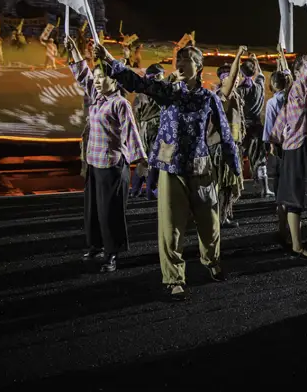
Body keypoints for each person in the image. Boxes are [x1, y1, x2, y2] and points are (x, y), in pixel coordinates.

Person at [94, 41, 239, 300]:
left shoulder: (209, 98)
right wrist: (109, 60)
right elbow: (137, 81)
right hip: (171, 170)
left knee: (211, 224)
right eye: (178, 61)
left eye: (186, 60)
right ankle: (174, 278)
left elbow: (225, 132)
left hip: (202, 167)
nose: (180, 65)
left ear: (199, 66)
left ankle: (212, 262)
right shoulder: (168, 92)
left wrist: (234, 164)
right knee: (170, 228)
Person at [67, 37, 146, 274]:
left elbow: (132, 132)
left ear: (114, 80)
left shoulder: (120, 103)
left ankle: (112, 253)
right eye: (97, 78)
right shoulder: (97, 98)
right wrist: (74, 52)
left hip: (112, 166)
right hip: (94, 162)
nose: (98, 81)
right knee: (92, 210)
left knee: (109, 212)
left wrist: (140, 161)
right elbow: (83, 76)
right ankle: (95, 246)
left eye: (103, 78)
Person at [269, 45, 307, 258]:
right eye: (306, 70)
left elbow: (283, 119)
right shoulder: (299, 88)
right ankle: (296, 245)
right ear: (299, 73)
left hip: (304, 147)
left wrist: (274, 139)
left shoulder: (300, 92)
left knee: (294, 198)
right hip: (299, 149)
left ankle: (288, 237)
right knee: (295, 200)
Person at [216, 47, 248, 228]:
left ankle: (224, 214)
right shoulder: (223, 95)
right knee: (225, 184)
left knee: (228, 186)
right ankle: (221, 218)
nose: (236, 80)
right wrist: (238, 56)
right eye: (231, 78)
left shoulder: (234, 95)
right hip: (224, 148)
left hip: (233, 145)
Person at [238, 52, 272, 198]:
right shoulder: (259, 86)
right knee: (260, 159)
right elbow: (261, 74)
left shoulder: (240, 90)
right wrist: (256, 60)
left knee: (238, 158)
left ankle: (237, 188)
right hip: (257, 127)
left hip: (243, 128)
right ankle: (264, 188)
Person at [130, 63, 165, 200]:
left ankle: (135, 190)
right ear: (157, 76)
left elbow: (135, 113)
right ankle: (151, 191)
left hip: (142, 129)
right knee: (154, 160)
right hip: (155, 128)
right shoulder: (159, 90)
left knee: (143, 160)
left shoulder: (141, 93)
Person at [263, 52, 291, 199]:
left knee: (279, 171)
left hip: (279, 141)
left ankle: (280, 198)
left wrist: (270, 143)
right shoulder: (292, 97)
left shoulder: (272, 103)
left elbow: (270, 123)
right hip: (293, 139)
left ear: (272, 85)